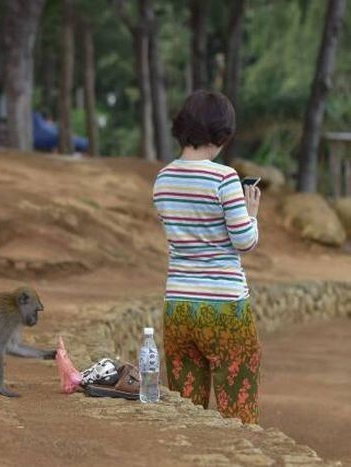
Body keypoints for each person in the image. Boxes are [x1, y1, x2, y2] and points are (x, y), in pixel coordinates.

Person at [152, 90, 262, 424]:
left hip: (180, 306)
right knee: (238, 412)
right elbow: (244, 242)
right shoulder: (225, 178)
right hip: (224, 308)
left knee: (188, 413)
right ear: (221, 134)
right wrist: (252, 212)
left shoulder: (163, 179)